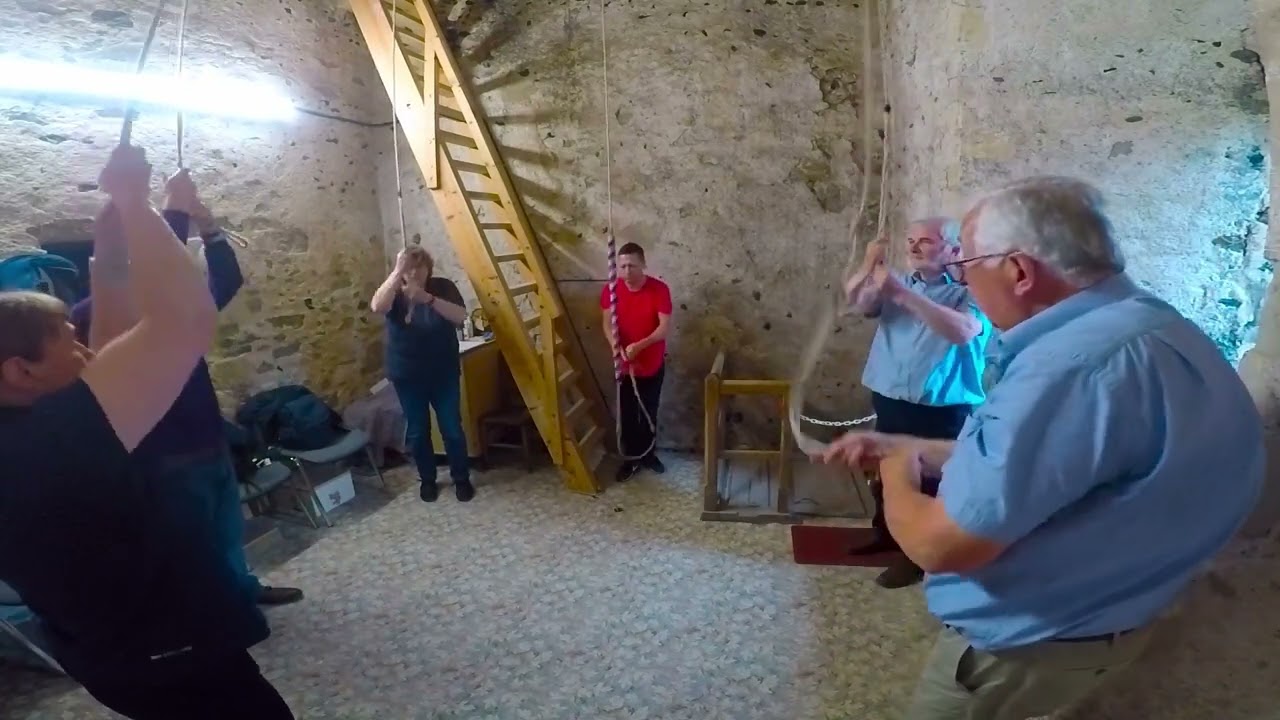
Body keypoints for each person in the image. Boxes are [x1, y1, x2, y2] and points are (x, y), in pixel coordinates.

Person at [820, 176, 1263, 720]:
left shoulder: (1069, 370)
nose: (966, 280)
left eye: (968, 268)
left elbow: (942, 545)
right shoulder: (1150, 325)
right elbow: (1040, 465)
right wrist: (906, 443)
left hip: (1031, 643)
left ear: (1019, 271)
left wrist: (894, 467)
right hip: (1104, 615)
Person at [0, 145, 293, 718]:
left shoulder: (35, 425)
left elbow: (110, 345)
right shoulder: (55, 435)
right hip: (174, 653)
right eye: (68, 339)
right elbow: (186, 316)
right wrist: (136, 200)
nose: (85, 349)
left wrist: (108, 252)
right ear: (21, 370)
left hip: (113, 660)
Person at [69, 176, 303, 608]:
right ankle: (218, 618)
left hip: (207, 439)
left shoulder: (173, 306)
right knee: (194, 546)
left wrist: (210, 230)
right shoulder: (90, 315)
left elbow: (225, 282)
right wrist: (173, 209)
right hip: (165, 456)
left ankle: (243, 592)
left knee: (228, 530)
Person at [843, 217, 993, 589]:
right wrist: (868, 264)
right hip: (891, 395)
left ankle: (916, 555)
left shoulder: (971, 291)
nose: (912, 248)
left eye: (925, 241)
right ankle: (886, 534)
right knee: (887, 471)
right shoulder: (901, 284)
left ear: (954, 251)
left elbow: (963, 331)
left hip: (940, 407)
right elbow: (857, 302)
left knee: (928, 481)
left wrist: (902, 295)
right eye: (910, 240)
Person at [370, 246, 472, 502]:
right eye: (409, 267)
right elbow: (377, 306)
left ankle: (462, 479)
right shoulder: (393, 290)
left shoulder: (442, 287)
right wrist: (397, 271)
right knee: (417, 430)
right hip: (407, 375)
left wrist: (426, 298)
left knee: (452, 429)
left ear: (429, 268)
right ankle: (427, 480)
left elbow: (460, 316)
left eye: (419, 266)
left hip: (443, 372)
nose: (414, 272)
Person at [599, 242, 672, 482]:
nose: (627, 271)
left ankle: (649, 455)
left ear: (643, 265)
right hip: (624, 366)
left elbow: (663, 329)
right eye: (622, 266)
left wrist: (639, 346)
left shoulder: (659, 290)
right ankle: (630, 460)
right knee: (627, 414)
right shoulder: (611, 290)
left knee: (649, 412)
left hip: (651, 365)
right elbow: (607, 324)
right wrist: (615, 346)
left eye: (632, 265)